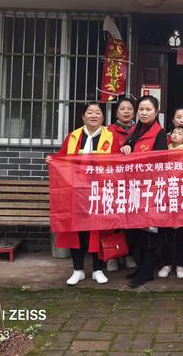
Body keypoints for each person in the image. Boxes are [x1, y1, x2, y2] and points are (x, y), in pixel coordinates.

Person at [47, 102, 115, 286]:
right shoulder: (73, 137)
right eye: (90, 112)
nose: (93, 115)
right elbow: (62, 158)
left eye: (98, 112)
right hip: (75, 192)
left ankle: (97, 269)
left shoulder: (111, 136)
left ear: (103, 117)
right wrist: (53, 160)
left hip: (99, 192)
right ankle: (78, 269)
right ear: (83, 116)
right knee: (76, 231)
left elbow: (118, 163)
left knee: (97, 231)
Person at [120, 95, 168, 288]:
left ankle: (147, 272)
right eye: (141, 109)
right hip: (134, 188)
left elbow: (161, 162)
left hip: (150, 189)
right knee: (138, 230)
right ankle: (142, 268)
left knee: (149, 231)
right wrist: (125, 148)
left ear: (156, 112)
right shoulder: (134, 130)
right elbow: (127, 151)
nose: (144, 112)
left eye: (148, 109)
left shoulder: (160, 133)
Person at [106, 97, 138, 272]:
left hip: (134, 181)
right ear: (116, 112)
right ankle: (112, 255)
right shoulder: (109, 131)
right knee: (114, 219)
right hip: (113, 181)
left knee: (130, 219)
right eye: (122, 109)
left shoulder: (139, 129)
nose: (126, 111)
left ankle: (128, 254)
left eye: (129, 109)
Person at [157, 126, 183, 279]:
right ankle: (167, 262)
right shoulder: (165, 149)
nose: (175, 135)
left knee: (182, 231)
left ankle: (180, 264)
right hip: (166, 193)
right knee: (166, 230)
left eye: (179, 133)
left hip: (182, 193)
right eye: (174, 133)